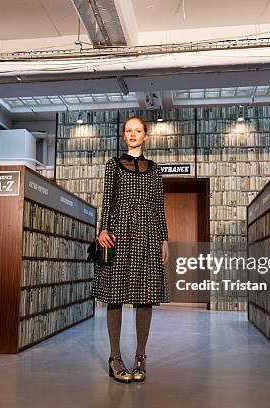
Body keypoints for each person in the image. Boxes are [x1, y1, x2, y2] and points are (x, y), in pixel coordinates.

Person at [90, 115, 170, 384]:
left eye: (138, 131)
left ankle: (140, 356)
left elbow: (159, 207)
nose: (133, 134)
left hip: (148, 233)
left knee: (144, 295)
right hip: (119, 231)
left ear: (146, 136)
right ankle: (115, 357)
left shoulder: (156, 169)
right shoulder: (113, 164)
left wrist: (164, 239)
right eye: (128, 131)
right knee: (115, 294)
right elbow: (107, 200)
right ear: (124, 136)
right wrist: (103, 230)